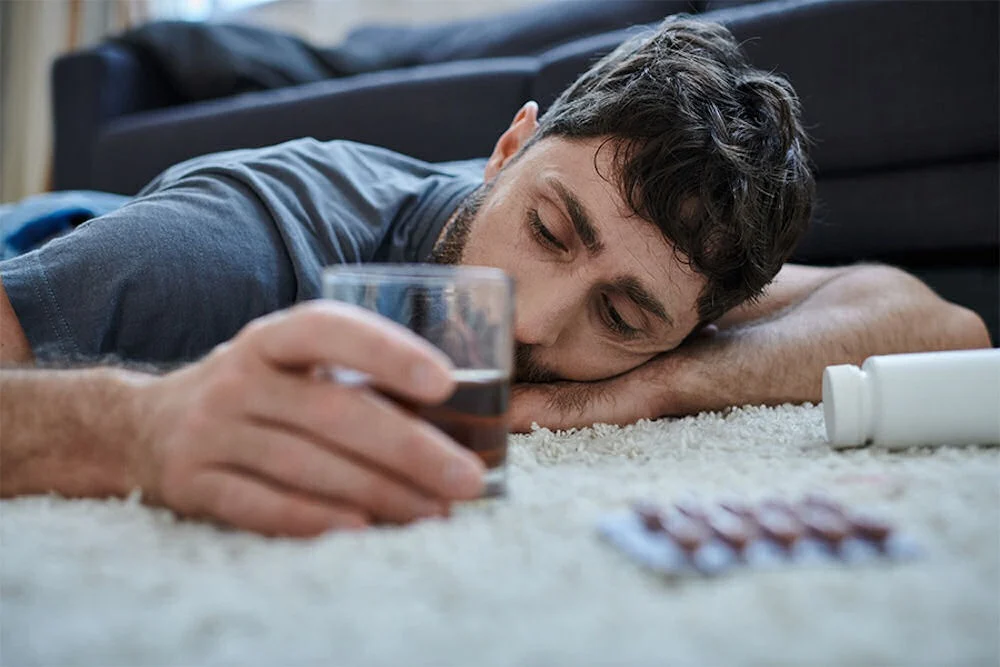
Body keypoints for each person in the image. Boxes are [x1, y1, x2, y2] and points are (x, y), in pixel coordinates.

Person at [0, 19, 989, 537]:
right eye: (551, 227)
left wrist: (665, 383)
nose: (534, 319)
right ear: (508, 148)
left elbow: (936, 322)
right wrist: (135, 425)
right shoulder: (229, 246)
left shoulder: (666, 308)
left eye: (621, 314)